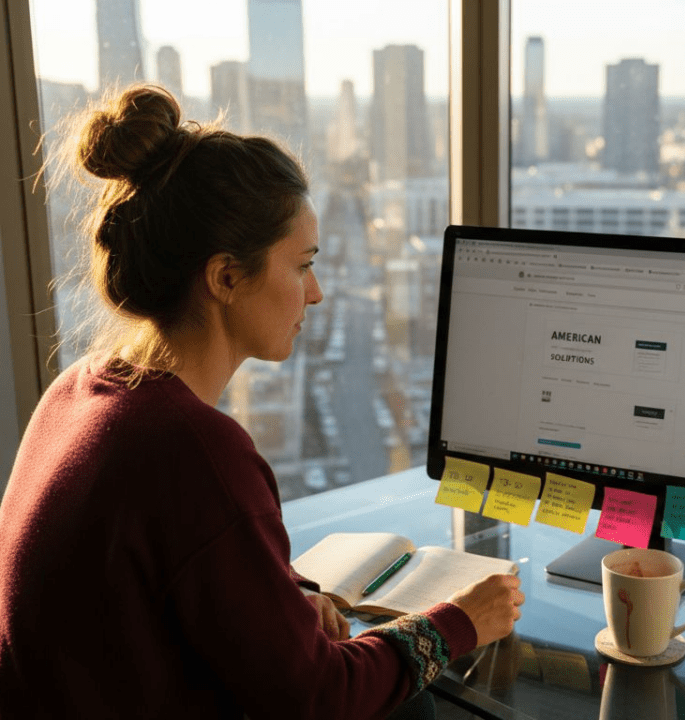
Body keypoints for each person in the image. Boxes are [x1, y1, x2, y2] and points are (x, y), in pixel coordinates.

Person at [0, 84, 524, 719]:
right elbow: (321, 697)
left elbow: (179, 579)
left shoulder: (76, 391)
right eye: (301, 266)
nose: (316, 292)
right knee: (411, 706)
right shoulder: (193, 450)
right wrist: (462, 620)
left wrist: (285, 593)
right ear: (226, 277)